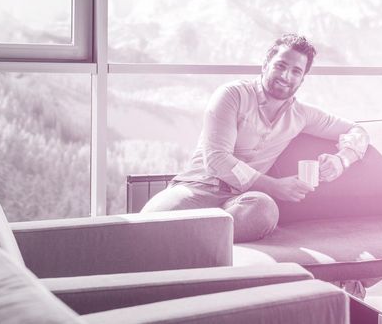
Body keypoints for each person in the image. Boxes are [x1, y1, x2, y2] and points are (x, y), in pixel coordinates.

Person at [141, 33, 369, 243]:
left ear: (302, 79)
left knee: (265, 210)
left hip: (241, 203)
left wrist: (342, 161)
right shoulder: (232, 95)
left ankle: (185, 241)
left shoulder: (302, 114)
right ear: (265, 64)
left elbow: (358, 131)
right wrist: (274, 186)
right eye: (280, 66)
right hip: (197, 189)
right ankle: (198, 241)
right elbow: (217, 160)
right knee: (146, 226)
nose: (286, 76)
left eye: (296, 71)